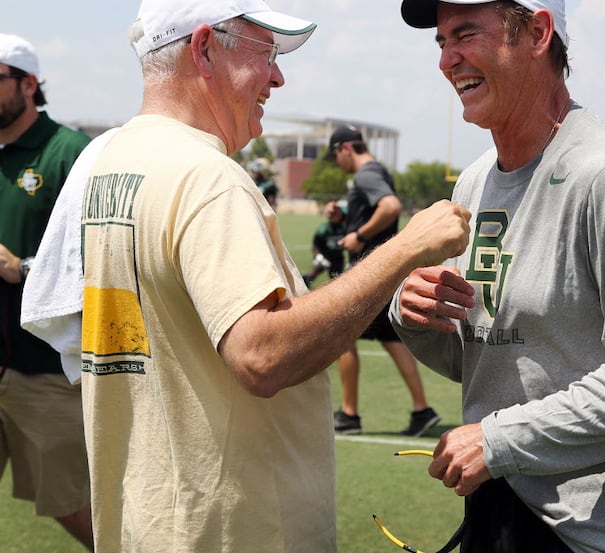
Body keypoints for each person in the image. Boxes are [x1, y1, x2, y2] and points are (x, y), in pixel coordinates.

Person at [68, 1, 471, 550]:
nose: (278, 76)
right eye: (267, 52)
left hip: (148, 520)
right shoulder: (207, 179)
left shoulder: (109, 162)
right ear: (204, 47)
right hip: (234, 528)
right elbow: (262, 355)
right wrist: (405, 249)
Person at [391, 2, 605, 552]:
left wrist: (501, 440)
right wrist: (416, 314)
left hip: (597, 532)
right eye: (441, 41)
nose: (448, 59)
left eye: (466, 33)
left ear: (538, 33)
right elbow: (486, 358)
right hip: (498, 506)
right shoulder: (475, 183)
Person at [0, 34, 93, 550]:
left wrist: (23, 268)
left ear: (28, 84)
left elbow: (105, 260)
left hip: (47, 372)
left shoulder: (70, 154)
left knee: (75, 505)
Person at [325, 125, 442, 437]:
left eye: (336, 156)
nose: (337, 163)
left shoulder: (365, 174)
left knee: (341, 334)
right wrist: (344, 215)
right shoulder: (376, 172)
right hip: (386, 273)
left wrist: (358, 235)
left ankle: (349, 414)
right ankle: (422, 410)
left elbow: (390, 206)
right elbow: (377, 208)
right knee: (391, 341)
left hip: (370, 273)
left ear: (345, 149)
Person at [303, 200, 346, 286]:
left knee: (336, 280)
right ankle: (304, 282)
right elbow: (315, 244)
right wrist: (318, 256)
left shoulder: (344, 226)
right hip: (324, 256)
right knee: (311, 276)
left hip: (337, 258)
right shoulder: (323, 229)